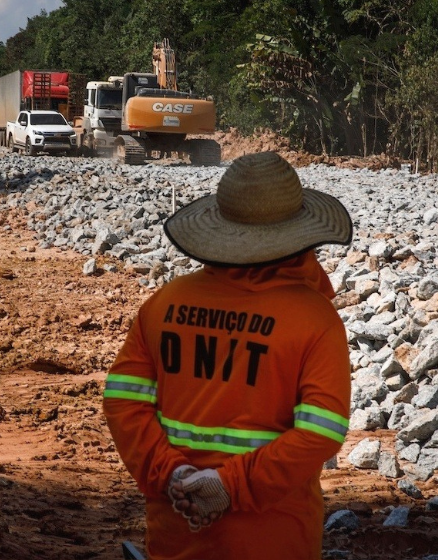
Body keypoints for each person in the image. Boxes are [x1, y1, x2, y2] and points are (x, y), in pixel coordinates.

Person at [103, 152, 353, 560]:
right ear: (299, 234)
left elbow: (122, 401)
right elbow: (321, 433)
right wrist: (228, 487)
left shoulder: (164, 303)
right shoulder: (315, 319)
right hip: (274, 539)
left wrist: (174, 474)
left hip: (177, 532)